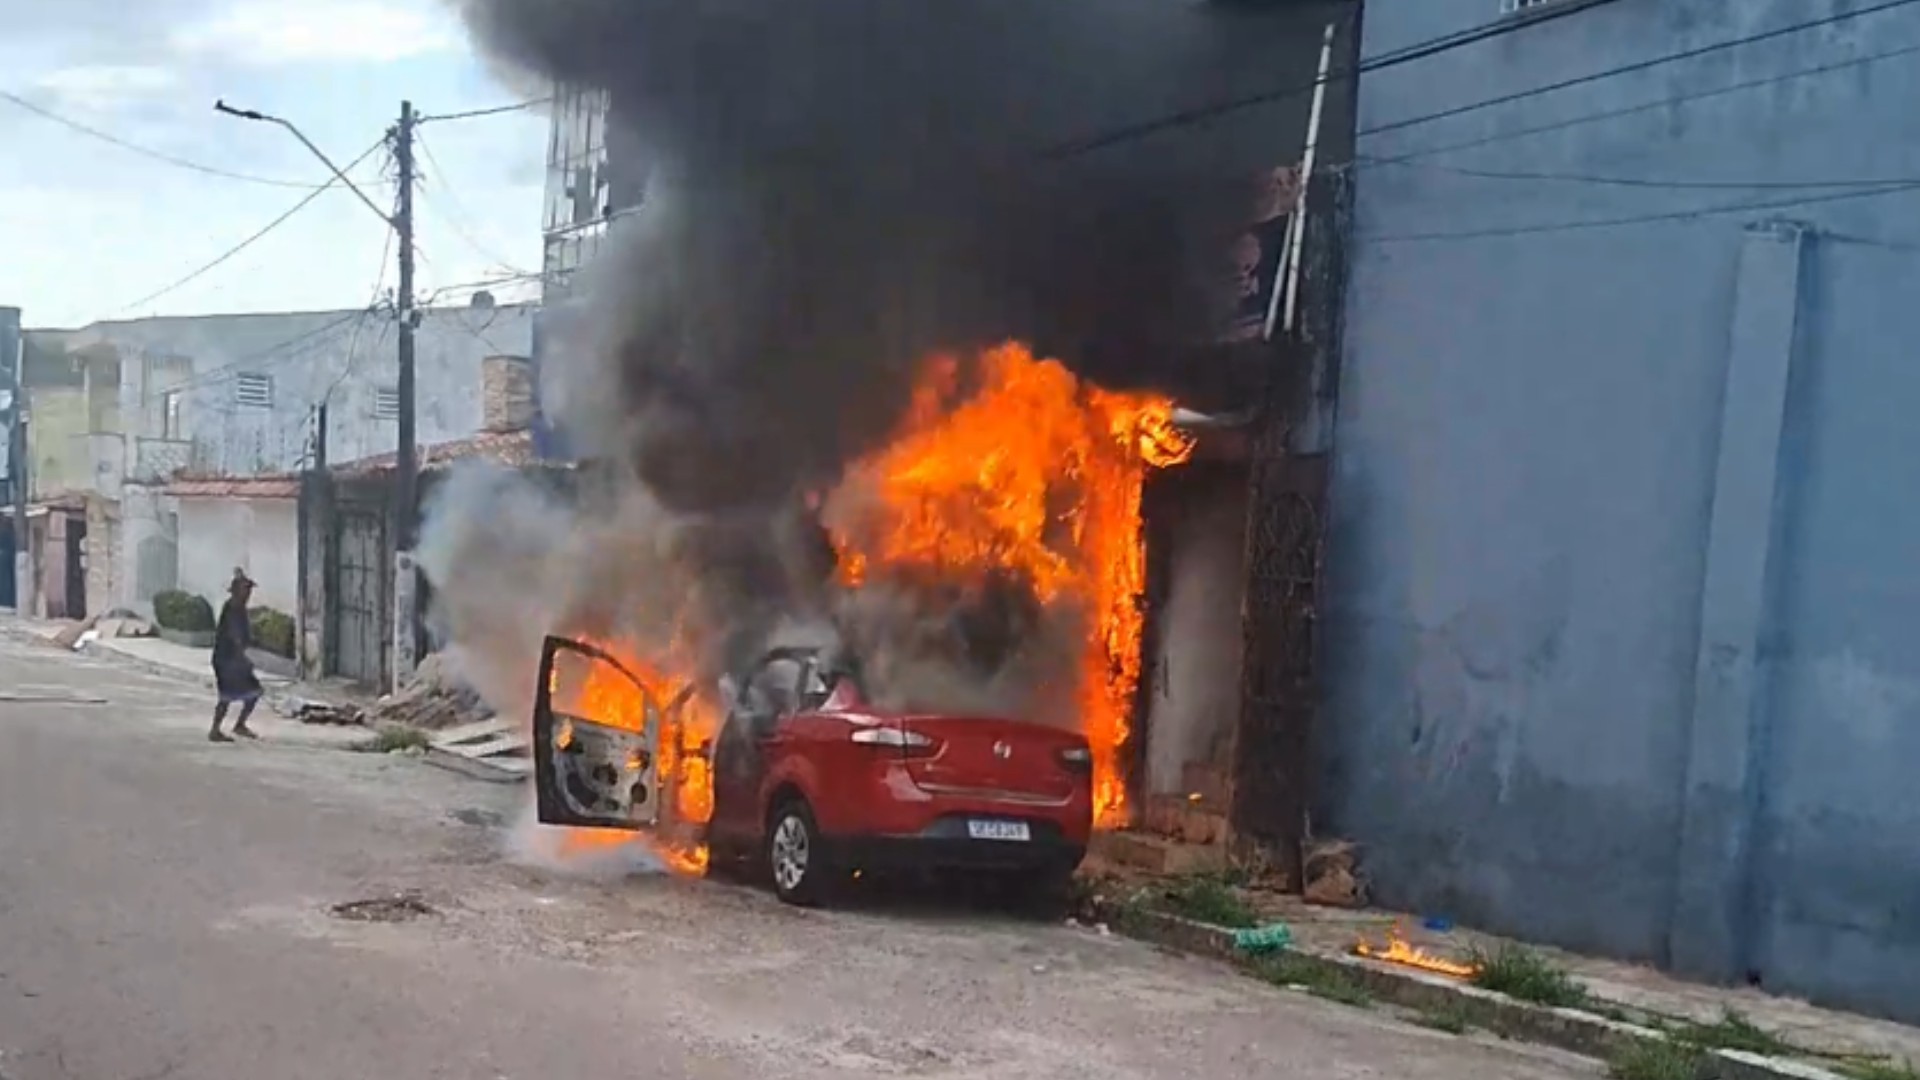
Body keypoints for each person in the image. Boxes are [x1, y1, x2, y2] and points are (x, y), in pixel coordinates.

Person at [210, 568, 263, 743]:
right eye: (245, 589)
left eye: (249, 589)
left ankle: (239, 725)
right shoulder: (233, 607)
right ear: (236, 590)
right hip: (227, 659)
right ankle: (215, 730)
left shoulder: (239, 607)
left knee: (254, 691)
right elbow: (235, 635)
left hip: (232, 659)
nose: (248, 593)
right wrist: (242, 657)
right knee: (226, 696)